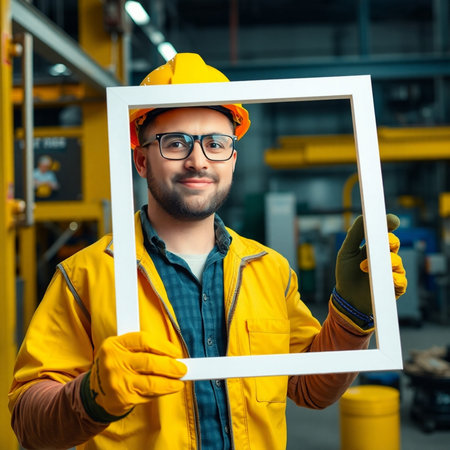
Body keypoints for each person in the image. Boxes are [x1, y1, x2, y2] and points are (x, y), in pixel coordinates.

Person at [9, 53, 407, 450]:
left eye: (215, 143)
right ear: (141, 159)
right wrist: (89, 396)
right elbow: (28, 422)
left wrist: (353, 313)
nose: (197, 161)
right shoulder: (85, 276)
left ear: (232, 159)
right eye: (176, 142)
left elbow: (311, 389)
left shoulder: (270, 270)